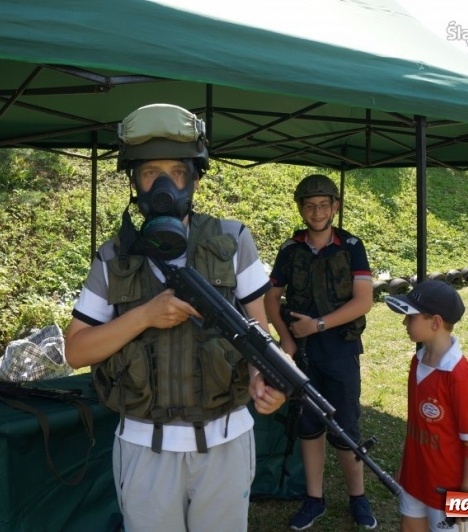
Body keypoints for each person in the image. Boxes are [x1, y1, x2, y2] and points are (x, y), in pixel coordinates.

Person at [64, 103, 286, 532]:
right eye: (150, 173)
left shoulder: (231, 240)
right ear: (135, 181)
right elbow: (76, 351)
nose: (163, 185)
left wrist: (265, 380)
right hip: (146, 447)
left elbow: (261, 334)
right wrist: (145, 315)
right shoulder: (114, 256)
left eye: (176, 173)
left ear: (194, 178)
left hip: (225, 441)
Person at [264, 174, 376, 530]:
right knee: (309, 426)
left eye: (324, 205)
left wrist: (320, 325)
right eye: (309, 206)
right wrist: (286, 338)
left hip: (340, 350)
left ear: (335, 207)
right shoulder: (289, 249)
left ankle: (358, 498)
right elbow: (270, 298)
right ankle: (315, 499)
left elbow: (364, 300)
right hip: (303, 353)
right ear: (300, 209)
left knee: (345, 426)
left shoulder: (352, 246)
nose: (316, 212)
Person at [385, 280, 468, 532]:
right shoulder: (417, 361)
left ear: (435, 322)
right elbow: (415, 423)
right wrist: (404, 464)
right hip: (415, 476)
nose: (404, 323)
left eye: (411, 317)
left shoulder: (458, 374)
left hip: (449, 490)